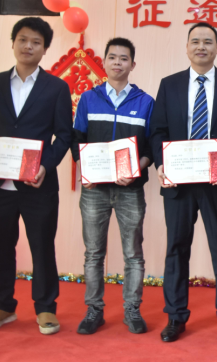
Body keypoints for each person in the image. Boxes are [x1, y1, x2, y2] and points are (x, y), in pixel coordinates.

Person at [150, 22, 217, 344]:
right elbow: (157, 131)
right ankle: (175, 316)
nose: (201, 47)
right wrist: (162, 163)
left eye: (208, 41)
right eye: (195, 41)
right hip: (178, 183)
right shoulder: (169, 84)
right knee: (176, 249)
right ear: (186, 47)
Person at [0, 17, 73, 335]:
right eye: (23, 40)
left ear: (45, 49)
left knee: (42, 246)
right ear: (13, 43)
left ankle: (46, 308)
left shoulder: (57, 87)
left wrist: (46, 166)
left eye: (36, 42)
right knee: (2, 246)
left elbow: (64, 135)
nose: (28, 46)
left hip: (38, 184)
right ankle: (3, 306)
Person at [71, 37, 155, 335]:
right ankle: (94, 310)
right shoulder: (88, 99)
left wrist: (137, 169)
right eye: (112, 57)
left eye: (124, 58)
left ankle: (132, 309)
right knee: (94, 253)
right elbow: (77, 140)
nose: (118, 62)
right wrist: (87, 169)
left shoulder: (146, 102)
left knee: (133, 253)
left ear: (133, 64)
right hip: (94, 190)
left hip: (130, 189)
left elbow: (152, 146)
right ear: (104, 62)